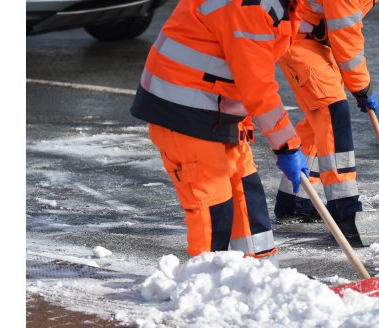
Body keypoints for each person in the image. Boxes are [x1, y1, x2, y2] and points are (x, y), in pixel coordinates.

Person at [130, 0, 309, 266]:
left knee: (247, 194)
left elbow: (241, 64)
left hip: (216, 107)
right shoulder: (250, 7)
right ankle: (207, 284)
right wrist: (287, 146)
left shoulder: (287, 5)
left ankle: (262, 273)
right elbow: (257, 84)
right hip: (181, 110)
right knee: (214, 207)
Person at [273, 0, 379, 238]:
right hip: (297, 38)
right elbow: (346, 36)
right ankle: (345, 209)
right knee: (332, 113)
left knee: (318, 120)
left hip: (314, 40)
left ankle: (294, 199)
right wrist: (362, 87)